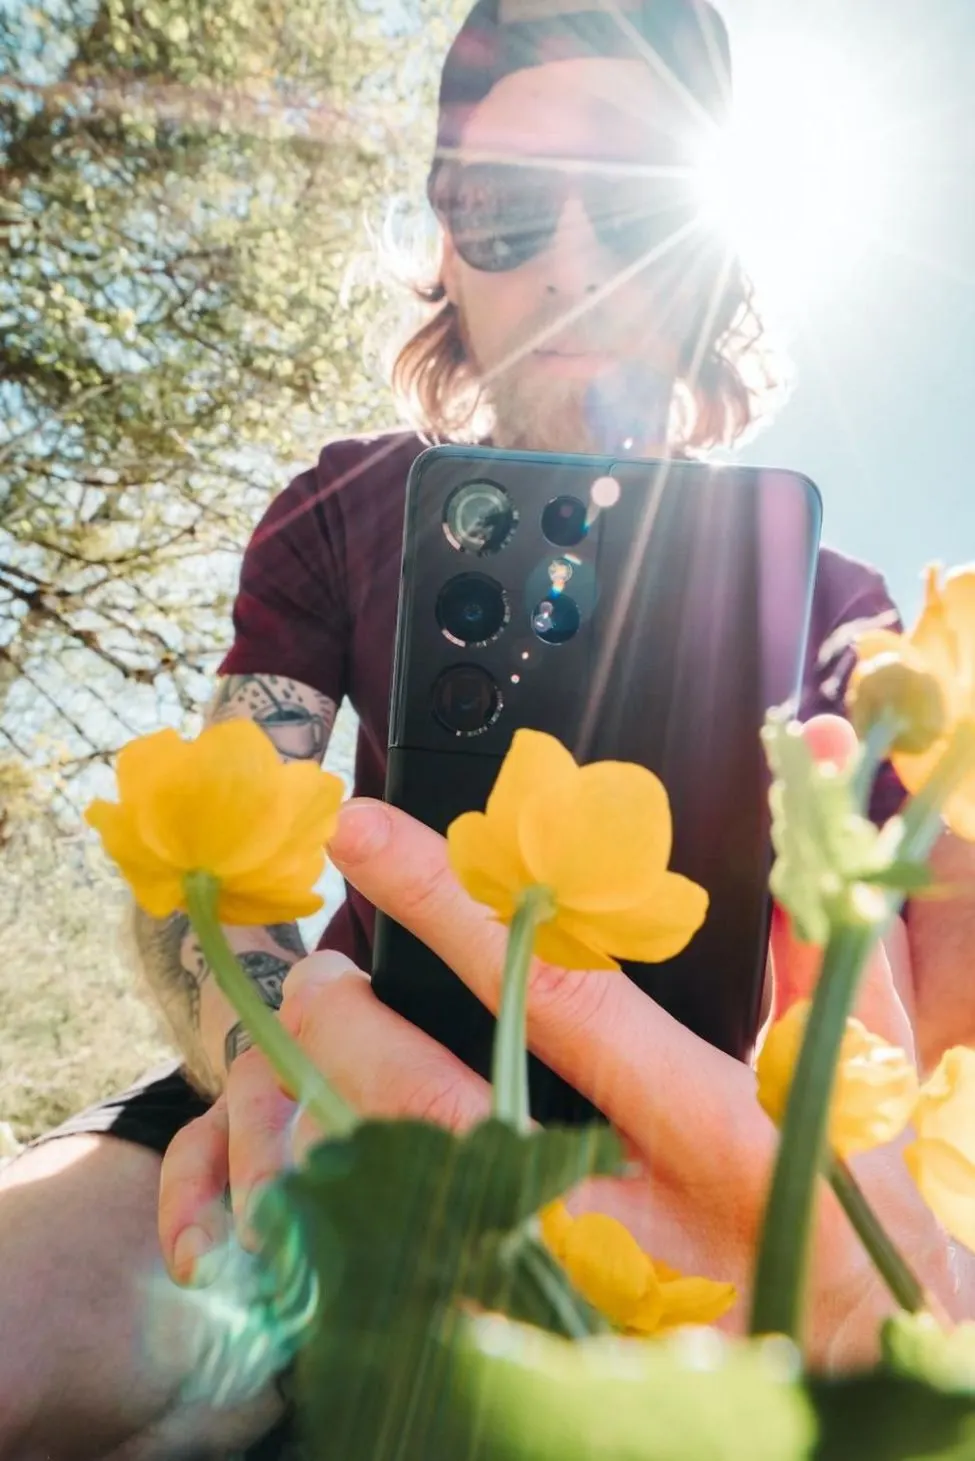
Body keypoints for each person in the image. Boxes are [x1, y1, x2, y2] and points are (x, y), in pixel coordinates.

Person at [2, 0, 973, 1455]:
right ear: (448, 254)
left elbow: (914, 967)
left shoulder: (839, 603)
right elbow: (205, 849)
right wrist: (270, 1068)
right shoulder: (342, 507)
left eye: (638, 203)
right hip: (309, 1083)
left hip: (696, 1169)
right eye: (504, 210)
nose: (575, 263)